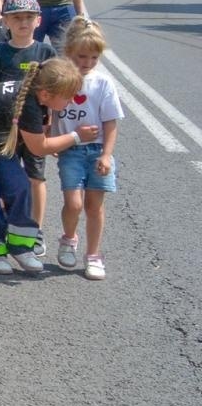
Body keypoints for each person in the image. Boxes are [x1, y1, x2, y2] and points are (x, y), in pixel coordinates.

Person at [0, 58, 99, 276]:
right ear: (45, 95)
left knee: (19, 187)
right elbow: (39, 148)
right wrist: (76, 136)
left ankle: (21, 246)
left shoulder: (35, 95)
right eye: (68, 96)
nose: (72, 100)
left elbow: (40, 132)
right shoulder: (28, 104)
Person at [0, 0, 59, 257]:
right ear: (6, 21)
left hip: (36, 128)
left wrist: (53, 128)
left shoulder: (46, 52)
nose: (23, 22)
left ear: (39, 21)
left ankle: (35, 231)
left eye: (28, 17)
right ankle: (8, 226)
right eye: (16, 18)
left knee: (35, 178)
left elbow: (55, 93)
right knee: (6, 181)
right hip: (5, 130)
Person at [51, 20, 123, 280]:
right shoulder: (61, 80)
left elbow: (110, 122)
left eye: (94, 57)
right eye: (82, 56)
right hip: (71, 149)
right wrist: (54, 139)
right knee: (73, 203)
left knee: (95, 206)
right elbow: (51, 112)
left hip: (97, 152)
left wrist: (106, 154)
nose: (88, 62)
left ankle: (93, 255)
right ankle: (68, 239)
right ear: (69, 52)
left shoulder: (103, 84)